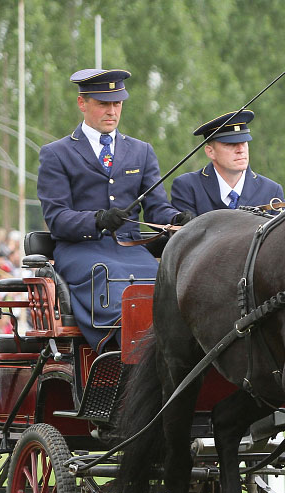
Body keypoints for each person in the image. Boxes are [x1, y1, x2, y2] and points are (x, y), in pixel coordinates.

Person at [37, 68, 181, 351]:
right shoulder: (57, 154)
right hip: (81, 252)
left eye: (117, 103)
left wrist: (177, 219)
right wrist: (97, 220)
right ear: (82, 103)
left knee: (170, 285)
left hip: (131, 249)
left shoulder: (142, 151)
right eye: (104, 103)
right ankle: (124, 358)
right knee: (114, 284)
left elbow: (157, 209)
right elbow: (57, 218)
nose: (112, 111)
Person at [170, 110, 284, 216]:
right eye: (230, 144)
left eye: (244, 142)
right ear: (210, 152)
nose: (240, 150)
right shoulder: (188, 188)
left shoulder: (271, 191)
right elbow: (186, 236)